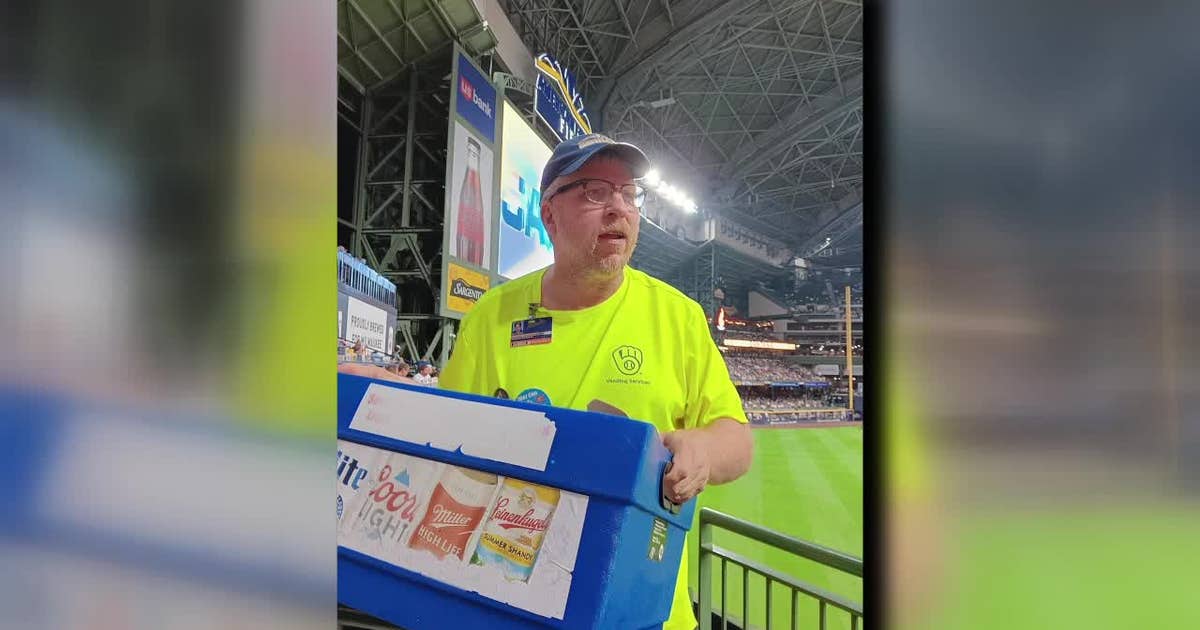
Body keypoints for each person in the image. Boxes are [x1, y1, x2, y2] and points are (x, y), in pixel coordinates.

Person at [438, 133, 753, 630]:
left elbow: (736, 439)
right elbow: (441, 443)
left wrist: (703, 452)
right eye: (593, 191)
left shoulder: (679, 318)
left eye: (629, 194)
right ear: (549, 214)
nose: (619, 208)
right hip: (504, 602)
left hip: (644, 615)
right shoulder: (490, 318)